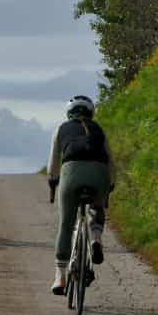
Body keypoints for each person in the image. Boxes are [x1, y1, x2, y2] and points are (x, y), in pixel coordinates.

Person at [47, 94, 115, 295]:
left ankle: (60, 276)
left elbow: (53, 162)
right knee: (97, 207)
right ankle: (95, 237)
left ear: (69, 113)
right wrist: (110, 185)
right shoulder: (98, 129)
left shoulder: (61, 129)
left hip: (71, 173)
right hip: (99, 173)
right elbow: (110, 160)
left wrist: (53, 180)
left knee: (66, 224)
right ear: (91, 113)